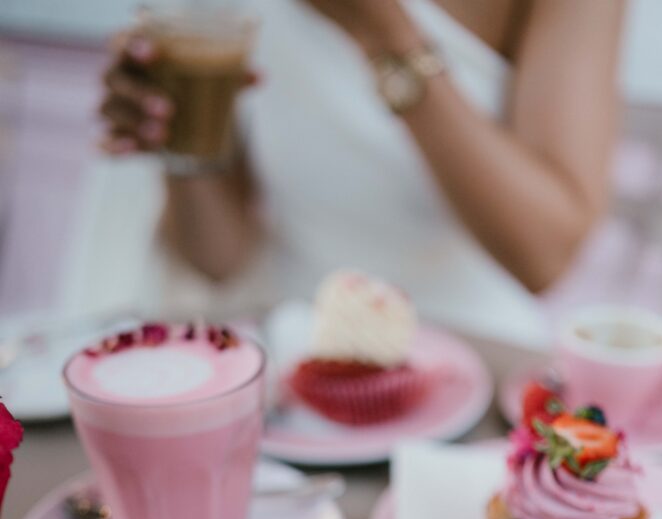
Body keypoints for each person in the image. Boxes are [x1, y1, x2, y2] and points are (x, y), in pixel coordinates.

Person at [98, 0, 627, 345]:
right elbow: (217, 257)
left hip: (470, 349)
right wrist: (177, 137)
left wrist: (384, 33)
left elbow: (547, 256)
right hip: (286, 344)